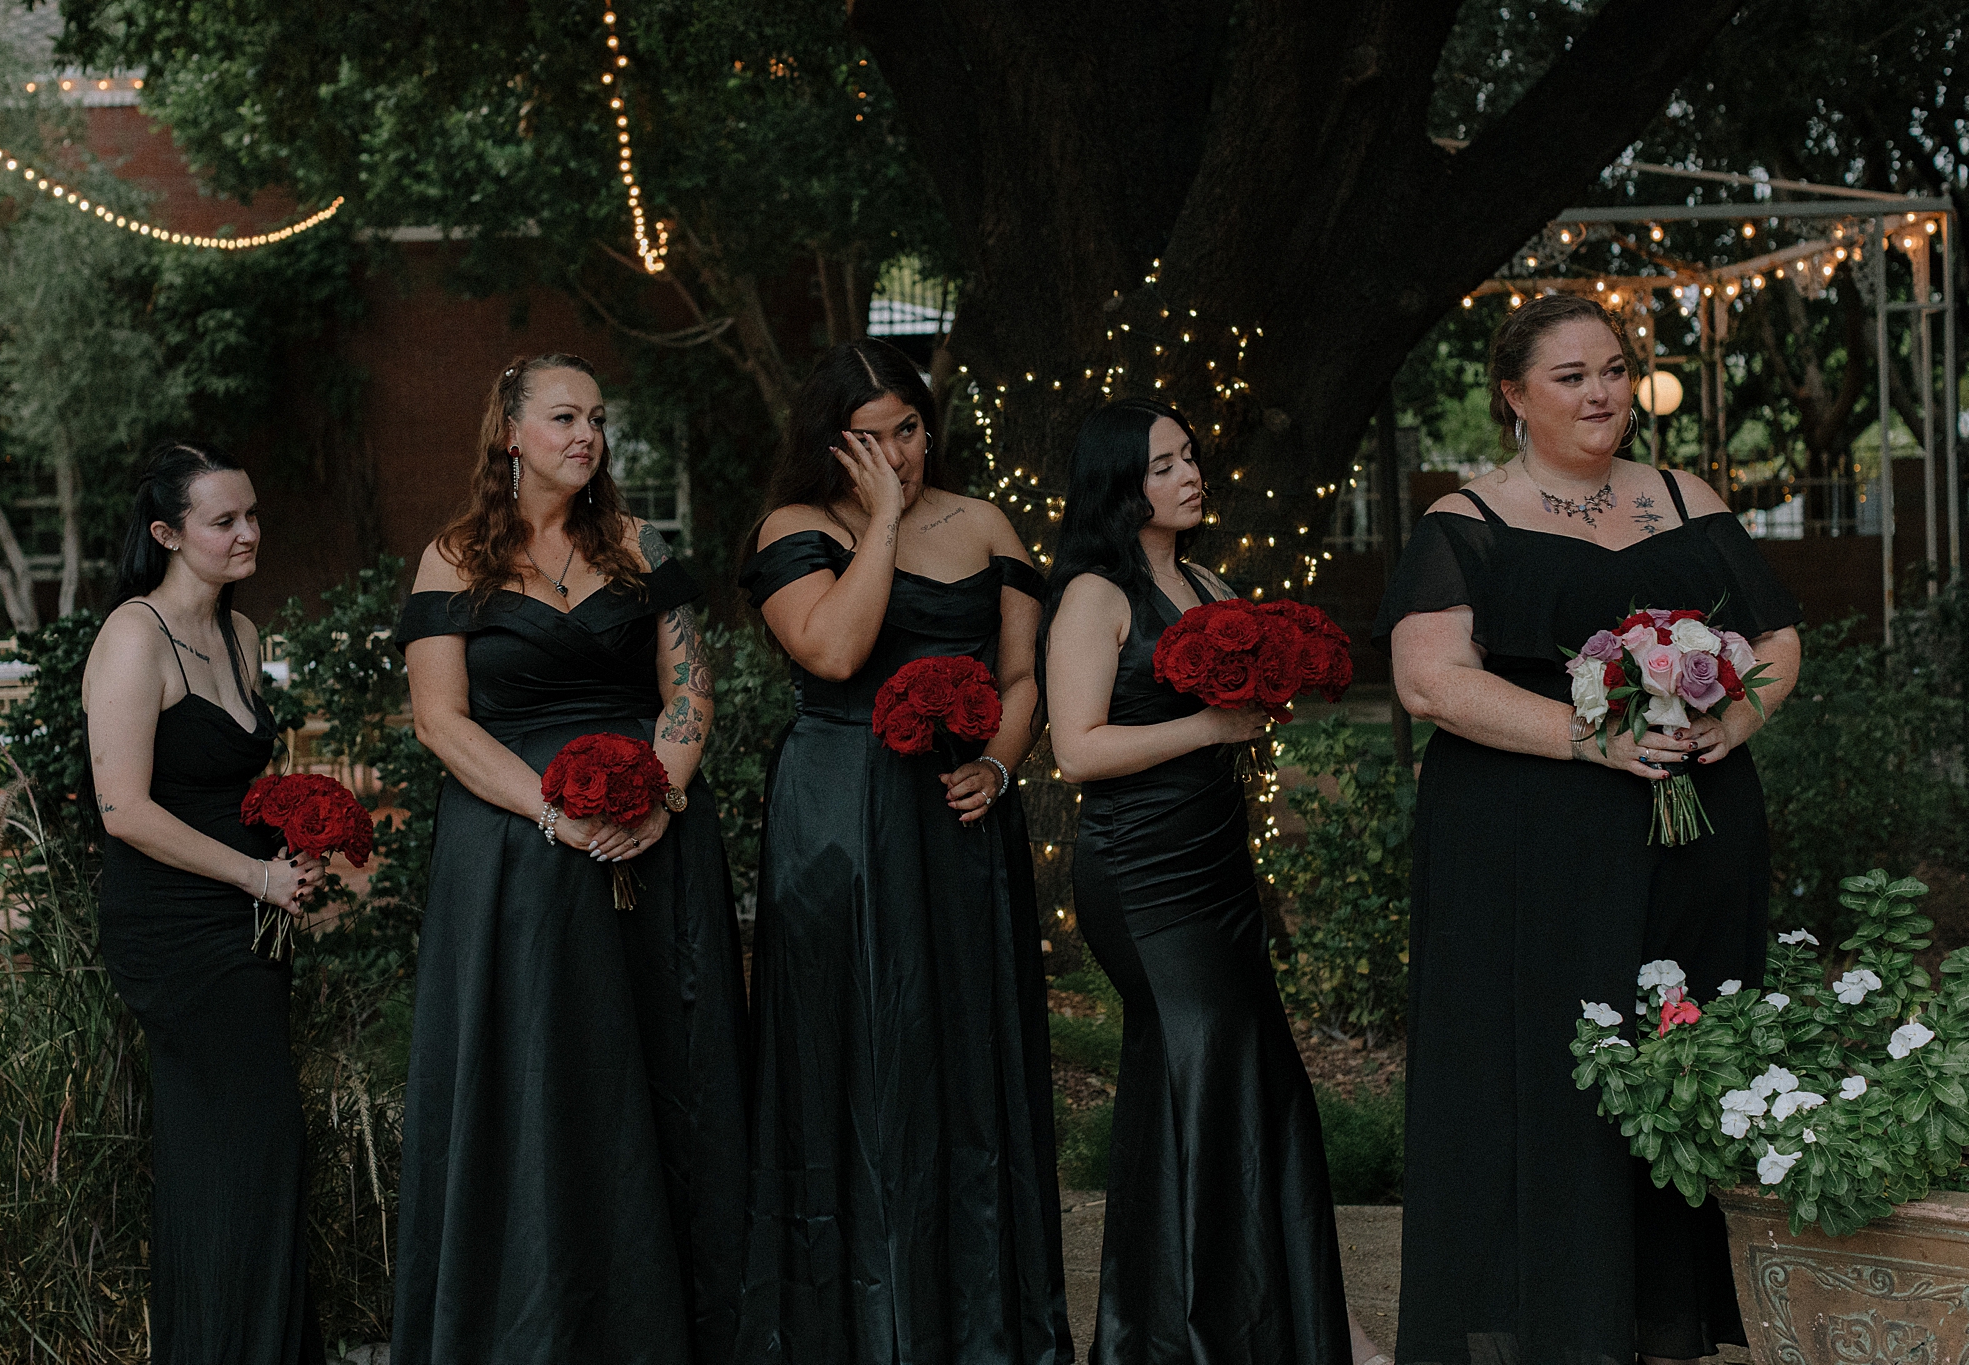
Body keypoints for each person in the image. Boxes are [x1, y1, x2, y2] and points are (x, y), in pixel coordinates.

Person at [1376, 293, 1802, 1363]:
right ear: (1513, 395)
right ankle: (1560, 1320)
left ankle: (1669, 1316)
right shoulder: (1466, 521)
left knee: (1684, 1059)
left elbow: (1775, 638)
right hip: (1527, 846)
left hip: (1693, 837)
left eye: (1613, 369)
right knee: (1553, 1070)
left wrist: (1733, 717)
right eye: (1571, 376)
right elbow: (1430, 682)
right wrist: (1591, 738)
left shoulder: (1684, 496)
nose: (1602, 392)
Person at [392, 353, 749, 1364]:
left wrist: (660, 797)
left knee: (660, 1073)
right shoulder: (453, 557)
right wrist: (552, 814)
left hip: (654, 846)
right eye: (563, 417)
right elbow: (441, 722)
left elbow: (691, 690)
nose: (586, 434)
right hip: (516, 858)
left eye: (595, 418)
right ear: (510, 433)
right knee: (541, 1078)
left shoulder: (638, 544)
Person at [735, 338, 1071, 1365]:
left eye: (910, 430)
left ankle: (980, 1323)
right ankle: (856, 1330)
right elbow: (834, 649)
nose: (898, 455)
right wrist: (880, 520)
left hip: (957, 816)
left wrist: (1001, 763)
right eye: (869, 438)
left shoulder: (984, 523)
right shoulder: (794, 527)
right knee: (857, 1050)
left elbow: (1022, 675)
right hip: (836, 818)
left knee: (965, 1050)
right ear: (828, 443)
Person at [1043, 398, 1384, 1365]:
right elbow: (1077, 749)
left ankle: (1305, 1320)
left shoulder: (1206, 581)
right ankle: (1190, 1333)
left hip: (1219, 865)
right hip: (1141, 875)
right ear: (1120, 484)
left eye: (1189, 457)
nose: (1190, 474)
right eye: (1163, 465)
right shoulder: (1094, 596)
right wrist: (1207, 726)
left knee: (1254, 1081)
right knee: (1204, 1075)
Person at [84, 439, 325, 1364]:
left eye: (252, 513)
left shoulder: (240, 633)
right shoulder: (134, 635)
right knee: (248, 1146)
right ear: (167, 534)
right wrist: (257, 875)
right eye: (224, 520)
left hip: (247, 917)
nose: (248, 532)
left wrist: (292, 842)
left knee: (245, 1152)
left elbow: (230, 788)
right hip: (174, 930)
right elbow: (124, 809)